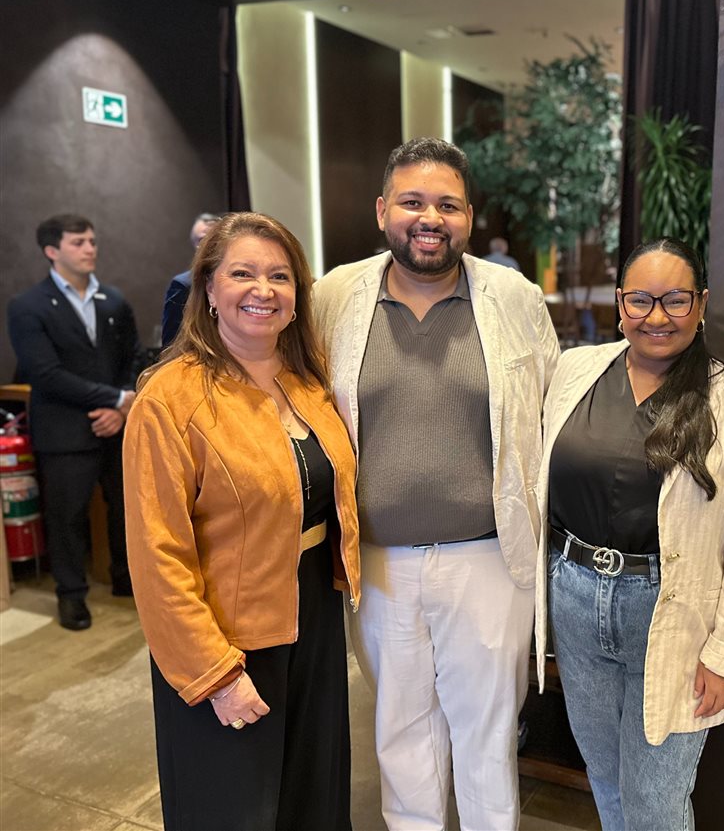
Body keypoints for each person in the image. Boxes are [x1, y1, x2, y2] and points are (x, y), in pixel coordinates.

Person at [313, 137, 559, 831]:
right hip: (379, 564)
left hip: (488, 559)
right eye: (413, 202)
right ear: (382, 210)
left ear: (469, 217)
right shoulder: (334, 296)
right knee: (401, 735)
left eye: (448, 205)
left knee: (487, 736)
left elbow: (549, 408)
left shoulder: (513, 297)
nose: (430, 218)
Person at [123, 212, 361, 831]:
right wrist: (215, 674)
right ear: (208, 287)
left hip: (312, 612)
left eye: (280, 276)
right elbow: (157, 555)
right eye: (242, 274)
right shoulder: (168, 398)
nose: (264, 290)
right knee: (232, 807)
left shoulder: (308, 380)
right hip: (228, 634)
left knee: (313, 795)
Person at [535, 238, 724, 831]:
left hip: (671, 613)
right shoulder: (575, 370)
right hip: (575, 596)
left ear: (701, 304)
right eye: (641, 300)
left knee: (655, 801)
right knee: (604, 775)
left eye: (675, 300)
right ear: (622, 304)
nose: (657, 316)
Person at [6, 214, 141, 630]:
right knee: (67, 518)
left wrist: (121, 407)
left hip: (117, 427)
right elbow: (45, 373)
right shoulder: (27, 306)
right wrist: (114, 399)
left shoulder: (113, 300)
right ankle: (71, 595)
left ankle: (126, 580)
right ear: (52, 251)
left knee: (127, 510)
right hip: (64, 431)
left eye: (92, 241)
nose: (90, 249)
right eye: (79, 242)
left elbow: (133, 358)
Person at [161, 212, 220, 347]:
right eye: (202, 240)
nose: (208, 244)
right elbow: (171, 344)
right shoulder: (183, 285)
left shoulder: (240, 280)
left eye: (214, 238)